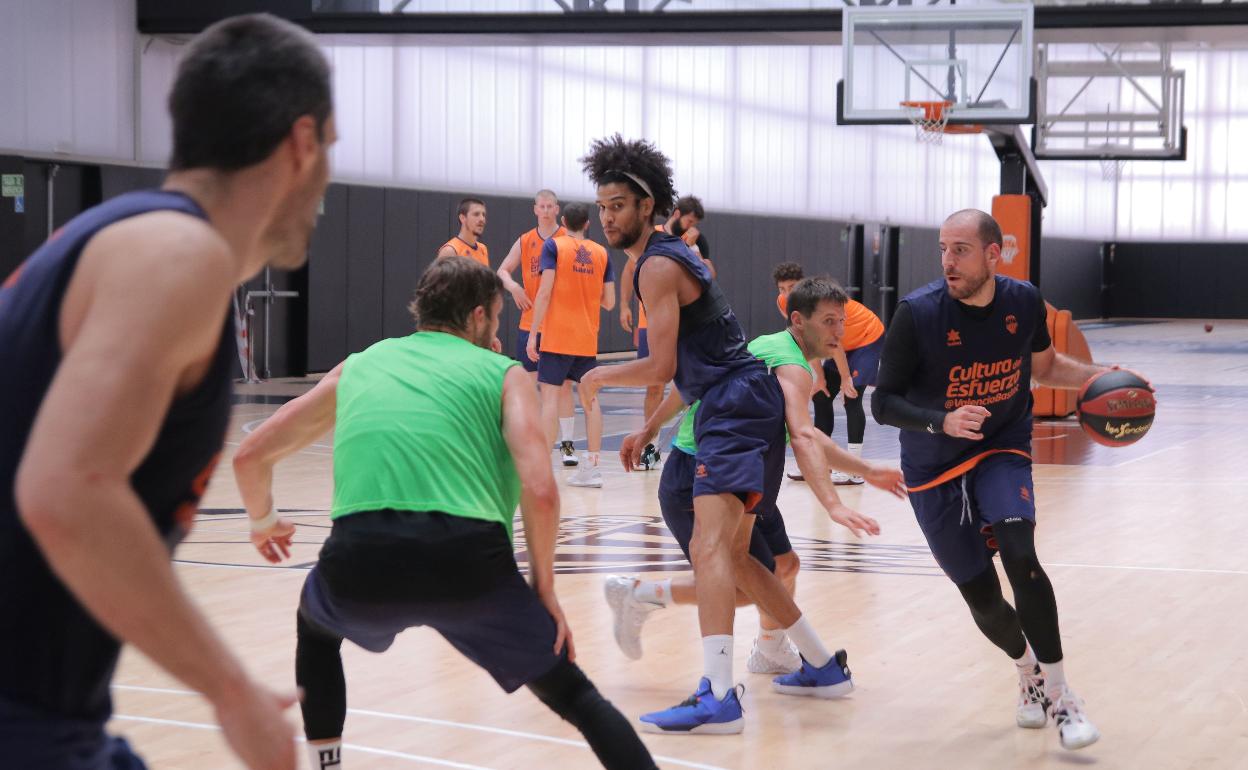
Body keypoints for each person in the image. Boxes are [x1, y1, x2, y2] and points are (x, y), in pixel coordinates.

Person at [0, 14, 334, 770]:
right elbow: (66, 493)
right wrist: (231, 690)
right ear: (303, 144)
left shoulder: (119, 235)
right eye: (330, 153)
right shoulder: (178, 254)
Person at [233, 257, 657, 770]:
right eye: (497, 320)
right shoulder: (504, 374)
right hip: (469, 562)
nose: (497, 332)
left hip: (361, 556)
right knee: (575, 697)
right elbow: (541, 490)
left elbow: (249, 455)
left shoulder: (361, 364)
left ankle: (327, 764)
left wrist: (264, 521)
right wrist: (543, 589)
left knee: (317, 631)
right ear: (479, 317)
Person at [577, 135, 880, 735]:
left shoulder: (657, 266)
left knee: (710, 552)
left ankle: (717, 695)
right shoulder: (670, 259)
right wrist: (648, 425)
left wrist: (597, 375)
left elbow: (662, 366)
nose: (607, 217)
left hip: (734, 414)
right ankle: (821, 665)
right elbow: (696, 370)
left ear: (647, 204)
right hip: (739, 404)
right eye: (602, 206)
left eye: (617, 205)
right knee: (737, 557)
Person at [872, 208, 1117, 751]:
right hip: (934, 464)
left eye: (960, 250)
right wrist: (942, 419)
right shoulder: (917, 313)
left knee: (1020, 553)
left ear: (993, 253)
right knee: (982, 596)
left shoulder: (1022, 300)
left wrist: (1099, 376)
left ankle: (1061, 695)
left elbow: (1045, 366)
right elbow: (882, 403)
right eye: (942, 249)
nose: (947, 261)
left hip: (1002, 446)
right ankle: (1026, 671)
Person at [604, 278, 906, 682]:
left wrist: (867, 471)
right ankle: (638, 594)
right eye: (829, 321)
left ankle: (769, 649)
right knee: (741, 584)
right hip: (700, 473)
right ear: (798, 321)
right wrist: (833, 504)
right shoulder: (791, 368)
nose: (839, 331)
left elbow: (803, 433)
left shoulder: (770, 346)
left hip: (748, 470)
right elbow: (800, 435)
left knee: (785, 565)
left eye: (842, 321)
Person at [618, 195, 713, 470]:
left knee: (687, 385)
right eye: (690, 220)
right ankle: (650, 447)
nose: (692, 226)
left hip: (685, 324)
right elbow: (629, 270)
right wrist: (624, 305)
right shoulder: (651, 238)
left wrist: (692, 247)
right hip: (652, 322)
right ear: (677, 213)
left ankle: (689, 443)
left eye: (695, 223)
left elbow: (709, 276)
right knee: (654, 384)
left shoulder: (696, 241)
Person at [526, 203, 617, 488]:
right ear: (588, 224)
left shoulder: (553, 246)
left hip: (556, 337)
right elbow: (610, 302)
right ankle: (592, 468)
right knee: (591, 402)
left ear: (563, 221)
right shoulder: (602, 254)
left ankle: (541, 469)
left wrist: (532, 333)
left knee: (549, 401)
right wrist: (586, 291)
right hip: (587, 340)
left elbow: (544, 291)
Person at [774, 263, 885, 485]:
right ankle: (818, 464)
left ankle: (855, 471)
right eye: (782, 288)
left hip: (866, 338)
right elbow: (806, 340)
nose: (787, 293)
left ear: (802, 285)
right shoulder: (785, 304)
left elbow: (835, 345)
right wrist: (821, 378)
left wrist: (845, 379)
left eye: (792, 287)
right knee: (821, 396)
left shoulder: (817, 305)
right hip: (841, 344)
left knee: (851, 397)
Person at [496, 190, 579, 466]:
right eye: (541, 206)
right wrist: (514, 286)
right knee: (530, 386)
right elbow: (502, 270)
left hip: (561, 324)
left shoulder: (567, 239)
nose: (545, 210)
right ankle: (530, 442)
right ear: (535, 209)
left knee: (563, 387)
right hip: (530, 322)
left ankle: (567, 446)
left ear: (557, 209)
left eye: (550, 206)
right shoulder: (525, 240)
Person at [438, 197, 489, 266]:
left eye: (483, 215)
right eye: (476, 214)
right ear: (462, 218)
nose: (482, 219)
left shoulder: (483, 249)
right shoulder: (450, 251)